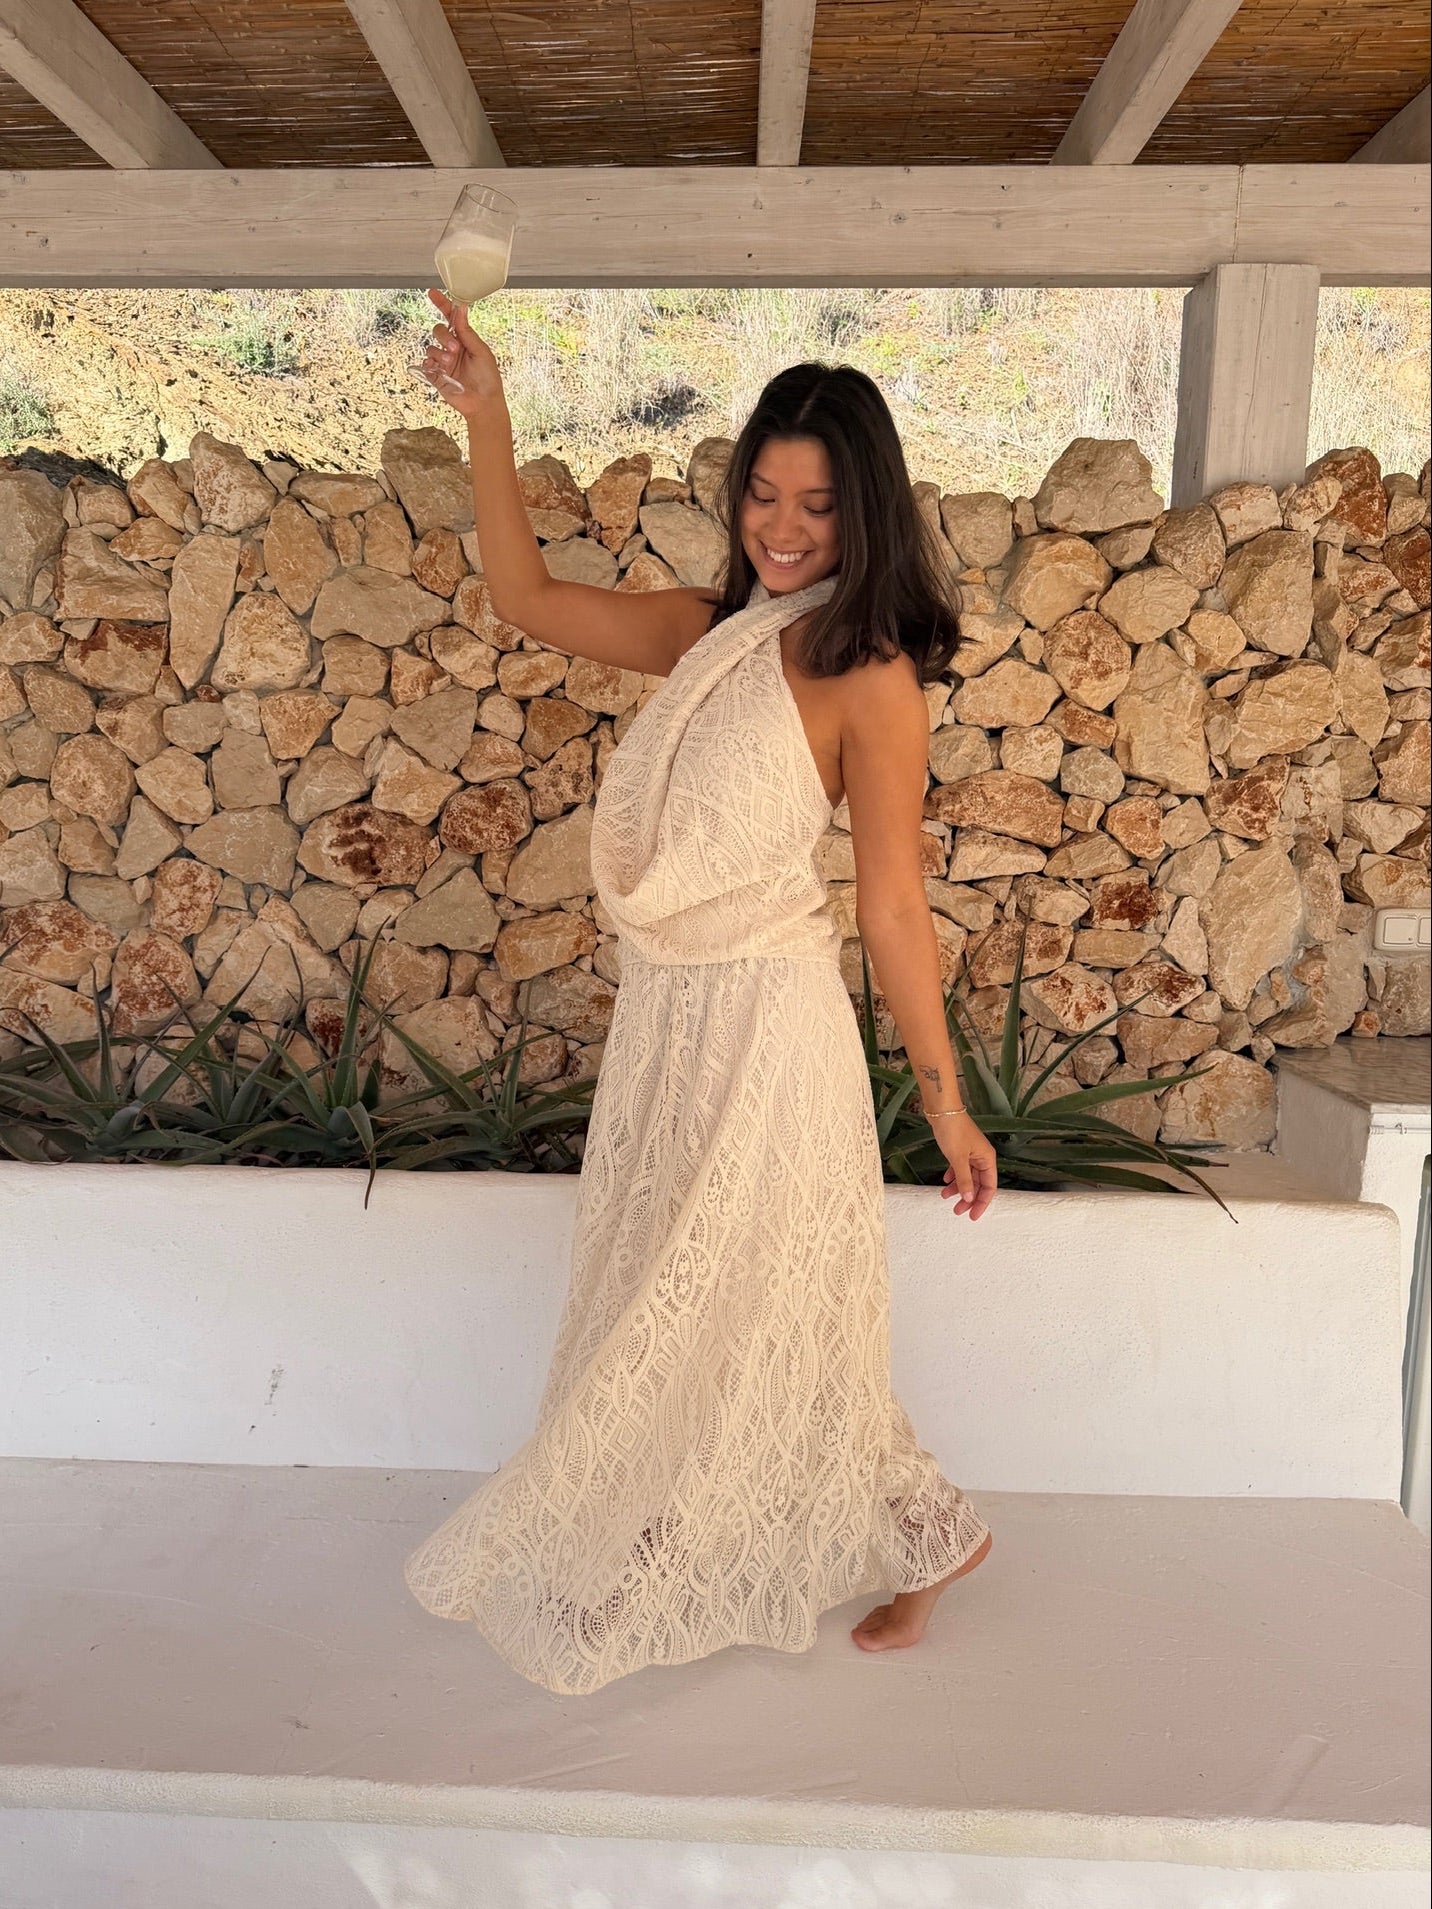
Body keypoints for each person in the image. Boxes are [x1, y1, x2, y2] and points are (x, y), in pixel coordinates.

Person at [403, 289, 996, 1697]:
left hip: (773, 1034)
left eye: (819, 507)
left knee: (755, 1307)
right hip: (669, 1024)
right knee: (664, 1294)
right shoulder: (706, 631)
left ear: (867, 517)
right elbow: (525, 600)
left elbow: (892, 905)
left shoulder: (870, 676)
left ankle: (884, 1538)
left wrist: (945, 1102)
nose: (784, 529)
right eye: (764, 496)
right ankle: (809, 1532)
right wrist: (488, 414)